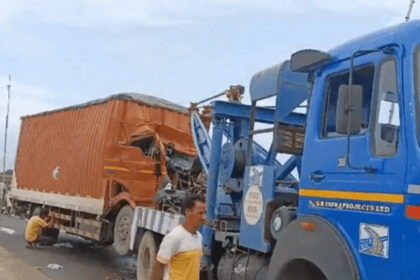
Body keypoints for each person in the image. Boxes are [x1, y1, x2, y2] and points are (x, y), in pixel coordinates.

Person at [150, 194, 206, 280]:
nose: (204, 217)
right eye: (200, 213)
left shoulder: (199, 237)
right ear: (188, 212)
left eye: (205, 213)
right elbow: (158, 266)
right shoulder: (174, 237)